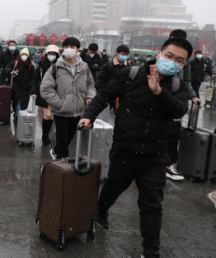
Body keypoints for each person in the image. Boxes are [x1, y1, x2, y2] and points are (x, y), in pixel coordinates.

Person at [79, 38, 191, 258]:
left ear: (183, 64)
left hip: (155, 154)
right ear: (159, 53)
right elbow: (104, 96)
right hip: (125, 148)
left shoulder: (178, 86)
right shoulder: (130, 74)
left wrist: (160, 92)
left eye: (179, 60)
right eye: (169, 56)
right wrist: (88, 116)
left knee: (152, 203)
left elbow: (179, 110)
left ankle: (151, 251)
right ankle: (101, 210)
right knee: (113, 186)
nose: (172, 62)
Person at [40, 37, 96, 160]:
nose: (69, 50)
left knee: (69, 138)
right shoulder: (55, 68)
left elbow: (90, 84)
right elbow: (45, 89)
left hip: (77, 111)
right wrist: (60, 104)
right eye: (66, 47)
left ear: (78, 50)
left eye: (72, 47)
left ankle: (55, 152)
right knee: (63, 143)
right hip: (61, 112)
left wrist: (89, 96)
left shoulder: (84, 67)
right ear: (62, 49)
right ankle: (62, 171)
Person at [166, 29, 197, 181]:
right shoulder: (163, 56)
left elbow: (187, 82)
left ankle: (168, 164)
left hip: (177, 101)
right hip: (161, 99)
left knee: (173, 134)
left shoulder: (186, 63)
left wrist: (193, 96)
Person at [31, 45, 60, 145]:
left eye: (53, 54)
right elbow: (35, 80)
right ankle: (44, 136)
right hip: (43, 93)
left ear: (57, 55)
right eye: (50, 54)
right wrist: (34, 91)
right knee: (47, 114)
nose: (51, 56)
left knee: (51, 116)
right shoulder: (41, 66)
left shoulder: (60, 66)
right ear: (46, 55)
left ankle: (46, 135)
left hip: (56, 94)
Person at [4, 48, 35, 124]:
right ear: (20, 55)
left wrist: (31, 87)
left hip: (26, 89)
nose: (24, 56)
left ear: (28, 56)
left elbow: (33, 78)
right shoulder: (16, 62)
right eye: (23, 54)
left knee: (24, 105)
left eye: (26, 55)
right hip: (16, 87)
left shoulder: (31, 66)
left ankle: (19, 118)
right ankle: (17, 119)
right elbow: (6, 68)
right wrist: (11, 72)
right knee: (17, 104)